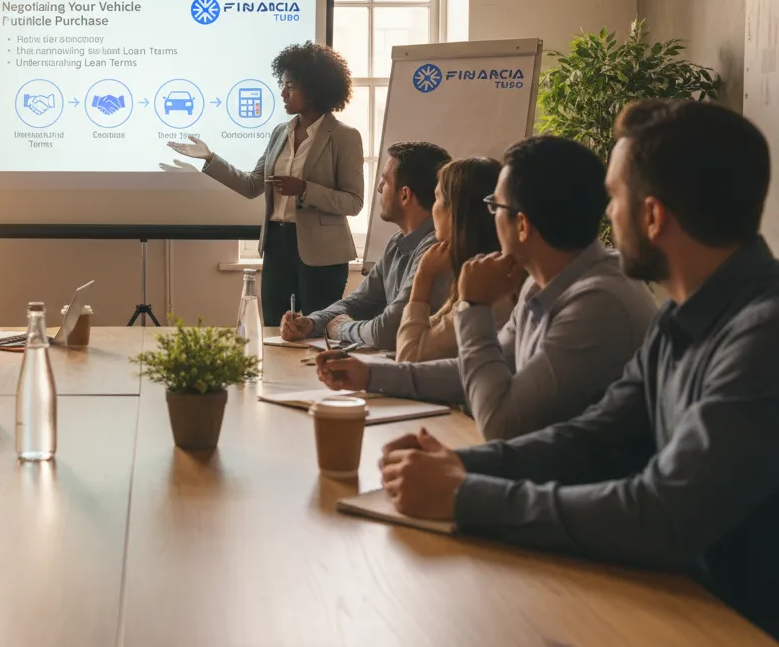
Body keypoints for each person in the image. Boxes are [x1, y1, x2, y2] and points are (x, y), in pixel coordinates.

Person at [377, 100, 779, 638]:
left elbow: (662, 514)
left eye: (614, 198)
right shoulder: (682, 318)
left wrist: (464, 495)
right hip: (676, 602)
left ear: (653, 216)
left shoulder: (762, 338)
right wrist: (462, 465)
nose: (605, 215)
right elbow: (592, 438)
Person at [319, 136, 657, 440]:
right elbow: (472, 369)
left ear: (522, 225)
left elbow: (500, 423)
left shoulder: (595, 304)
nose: (488, 217)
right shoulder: (538, 285)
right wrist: (369, 374)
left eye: (495, 206)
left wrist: (475, 306)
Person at [166, 42, 365, 326]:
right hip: (277, 245)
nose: (283, 93)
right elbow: (252, 185)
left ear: (315, 87)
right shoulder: (279, 133)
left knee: (316, 332)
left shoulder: (344, 136)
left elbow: (353, 202)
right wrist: (210, 158)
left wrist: (305, 190)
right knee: (273, 327)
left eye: (291, 86)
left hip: (323, 253)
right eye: (283, 85)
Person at [282, 141, 452, 349]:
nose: (379, 188)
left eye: (385, 181)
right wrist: (311, 323)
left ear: (405, 195)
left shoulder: (436, 248)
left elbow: (388, 330)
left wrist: (341, 328)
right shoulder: (397, 243)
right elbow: (359, 302)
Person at [395, 157, 513, 362]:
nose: (433, 209)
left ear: (457, 211)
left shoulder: (489, 284)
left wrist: (423, 279)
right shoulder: (474, 269)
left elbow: (408, 358)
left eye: (437, 199)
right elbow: (426, 335)